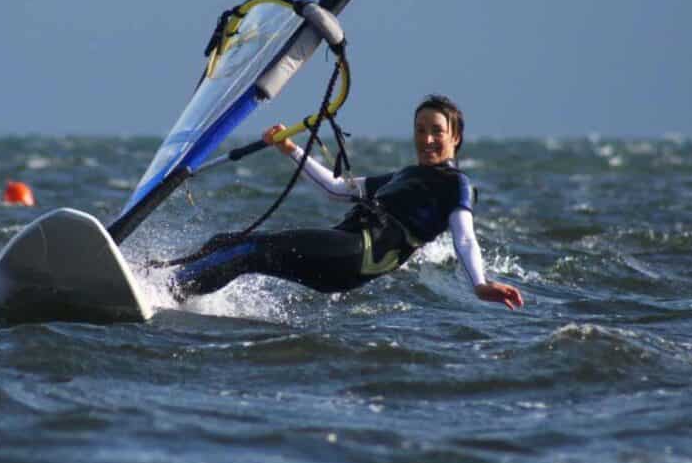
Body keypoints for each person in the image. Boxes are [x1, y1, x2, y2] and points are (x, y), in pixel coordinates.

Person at [169, 94, 524, 310]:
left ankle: (168, 294)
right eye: (420, 129)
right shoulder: (403, 176)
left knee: (248, 252)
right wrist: (290, 149)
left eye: (437, 131)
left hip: (357, 254)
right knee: (229, 244)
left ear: (455, 137)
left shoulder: (456, 183)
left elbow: (464, 237)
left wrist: (479, 283)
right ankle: (160, 278)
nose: (427, 139)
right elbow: (336, 190)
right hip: (342, 253)